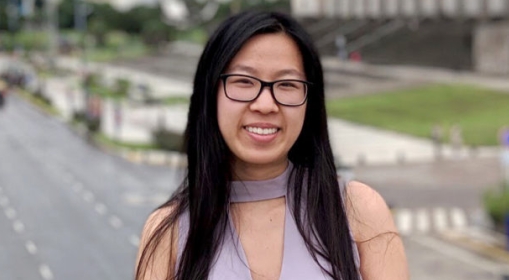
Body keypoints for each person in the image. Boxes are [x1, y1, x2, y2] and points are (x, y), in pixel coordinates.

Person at [135, 11, 408, 280]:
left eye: (287, 84)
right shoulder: (168, 232)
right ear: (210, 94)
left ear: (309, 101)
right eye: (243, 81)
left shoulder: (357, 210)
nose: (265, 105)